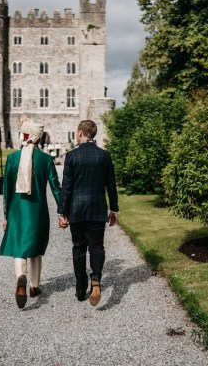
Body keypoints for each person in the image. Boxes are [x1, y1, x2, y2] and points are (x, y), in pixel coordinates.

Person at [0, 117, 61, 309]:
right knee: (36, 248)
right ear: (39, 138)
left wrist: (6, 215)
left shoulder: (12, 158)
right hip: (37, 210)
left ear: (26, 135)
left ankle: (21, 277)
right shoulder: (46, 159)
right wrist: (63, 210)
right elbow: (55, 188)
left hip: (17, 210)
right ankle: (34, 286)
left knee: (19, 246)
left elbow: (7, 190)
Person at [57, 120, 119, 306]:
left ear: (80, 133)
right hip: (97, 208)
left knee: (79, 247)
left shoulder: (71, 156)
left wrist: (62, 212)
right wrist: (113, 209)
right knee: (97, 246)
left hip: (76, 209)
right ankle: (96, 278)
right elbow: (111, 185)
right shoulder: (104, 156)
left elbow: (66, 187)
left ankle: (80, 289)